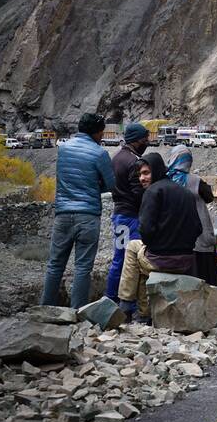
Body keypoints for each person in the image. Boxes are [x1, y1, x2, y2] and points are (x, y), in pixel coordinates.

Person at [41, 112, 115, 309]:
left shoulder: (63, 149)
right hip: (88, 216)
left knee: (55, 264)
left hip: (63, 213)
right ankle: (76, 311)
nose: (102, 135)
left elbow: (63, 178)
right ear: (96, 132)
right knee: (82, 267)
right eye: (102, 131)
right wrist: (93, 187)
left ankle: (45, 308)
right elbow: (111, 184)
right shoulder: (100, 154)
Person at [135, 153, 202, 277]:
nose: (141, 178)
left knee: (131, 248)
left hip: (160, 259)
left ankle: (126, 296)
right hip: (187, 260)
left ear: (156, 170)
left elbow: (146, 230)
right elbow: (198, 228)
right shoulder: (187, 193)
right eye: (139, 175)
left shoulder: (152, 192)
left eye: (146, 173)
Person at [165, 144, 217, 286]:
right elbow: (209, 197)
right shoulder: (195, 181)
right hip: (198, 233)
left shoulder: (165, 180)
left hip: (174, 234)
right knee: (204, 273)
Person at [107, 122, 150, 301]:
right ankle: (121, 301)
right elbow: (138, 192)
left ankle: (111, 298)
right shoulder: (133, 161)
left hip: (120, 215)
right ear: (137, 140)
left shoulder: (116, 157)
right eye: (145, 139)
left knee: (119, 258)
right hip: (130, 217)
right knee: (128, 259)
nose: (147, 142)